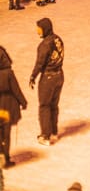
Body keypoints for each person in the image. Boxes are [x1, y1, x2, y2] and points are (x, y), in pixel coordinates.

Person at [29, 16, 64, 145]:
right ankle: (54, 131)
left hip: (48, 79)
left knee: (44, 106)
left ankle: (45, 136)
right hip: (59, 75)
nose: (37, 32)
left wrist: (33, 76)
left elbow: (40, 63)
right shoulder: (58, 39)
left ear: (45, 29)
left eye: (39, 29)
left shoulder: (44, 45)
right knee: (53, 105)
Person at [0, 47, 27, 166]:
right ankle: (6, 159)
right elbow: (16, 90)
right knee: (6, 133)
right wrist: (23, 102)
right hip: (7, 106)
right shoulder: (8, 73)